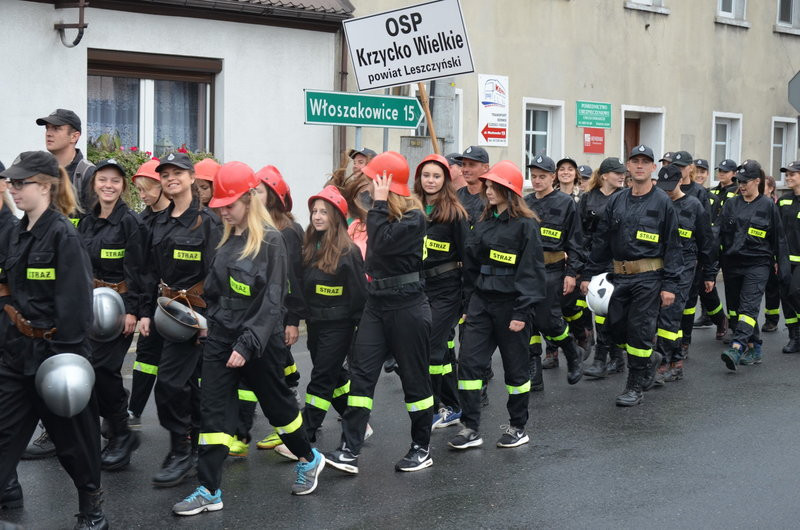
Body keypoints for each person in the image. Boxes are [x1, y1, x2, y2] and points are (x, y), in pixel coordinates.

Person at [172, 162, 325, 516]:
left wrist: (246, 344)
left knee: (280, 410)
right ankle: (209, 488)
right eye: (220, 205)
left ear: (248, 200)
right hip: (221, 338)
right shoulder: (225, 238)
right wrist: (206, 324)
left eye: (230, 204)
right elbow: (215, 292)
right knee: (212, 414)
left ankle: (308, 457)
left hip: (259, 343)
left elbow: (272, 302)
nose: (223, 211)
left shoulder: (272, 241)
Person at [0, 151, 107, 528]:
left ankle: (92, 509)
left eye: (20, 182)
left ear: (44, 185)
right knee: (4, 432)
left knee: (74, 442)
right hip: (16, 354)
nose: (13, 189)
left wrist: (66, 363)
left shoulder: (64, 234)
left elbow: (77, 307)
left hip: (58, 356)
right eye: (11, 182)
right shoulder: (14, 232)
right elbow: (6, 288)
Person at [325, 151, 434, 473]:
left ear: (387, 184)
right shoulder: (379, 212)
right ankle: (350, 447)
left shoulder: (414, 218)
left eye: (375, 180)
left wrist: (381, 202)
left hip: (408, 306)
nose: (370, 186)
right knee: (361, 376)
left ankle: (421, 446)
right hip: (377, 304)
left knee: (415, 381)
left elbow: (380, 245)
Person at [448, 160, 544, 450]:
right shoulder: (483, 220)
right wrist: (469, 302)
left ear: (509, 190)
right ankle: (470, 427)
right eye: (488, 185)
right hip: (481, 303)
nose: (488, 190)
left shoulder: (526, 226)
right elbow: (471, 266)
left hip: (511, 306)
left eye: (494, 186)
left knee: (516, 371)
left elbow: (531, 272)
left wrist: (521, 311)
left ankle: (517, 427)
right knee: (468, 364)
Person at [139, 152, 221, 487]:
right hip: (166, 313)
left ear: (191, 178)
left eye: (178, 172)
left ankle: (180, 449)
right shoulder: (158, 222)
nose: (171, 177)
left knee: (170, 383)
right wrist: (144, 313)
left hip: (196, 314)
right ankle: (199, 441)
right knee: (186, 383)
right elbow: (148, 273)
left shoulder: (208, 221)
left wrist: (211, 321)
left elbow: (219, 273)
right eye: (166, 173)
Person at [581, 144, 682, 407]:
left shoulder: (662, 202)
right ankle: (650, 360)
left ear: (653, 168)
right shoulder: (617, 200)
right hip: (619, 276)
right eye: (634, 161)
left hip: (649, 278)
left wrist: (670, 285)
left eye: (644, 162)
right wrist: (588, 275)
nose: (639, 165)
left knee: (639, 330)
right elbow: (602, 240)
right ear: (628, 166)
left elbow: (673, 246)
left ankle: (634, 386)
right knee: (615, 328)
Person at [78, 158, 146, 470]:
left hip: (119, 308)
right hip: (90, 308)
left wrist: (133, 310)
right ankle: (109, 419)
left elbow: (140, 271)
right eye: (103, 179)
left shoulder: (130, 222)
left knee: (104, 369)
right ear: (94, 184)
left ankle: (122, 434)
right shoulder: (87, 221)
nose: (108, 185)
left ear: (123, 187)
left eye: (115, 181)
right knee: (92, 370)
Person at [292, 186, 367, 448]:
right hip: (315, 324)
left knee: (322, 378)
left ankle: (306, 433)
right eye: (314, 211)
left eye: (324, 211)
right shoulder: (310, 245)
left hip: (339, 327)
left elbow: (360, 296)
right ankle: (357, 422)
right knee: (334, 377)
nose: (317, 216)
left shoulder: (349, 252)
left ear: (336, 216)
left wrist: (358, 335)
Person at [252, 165, 305, 454]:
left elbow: (294, 278)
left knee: (276, 370)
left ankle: (287, 429)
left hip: (282, 311)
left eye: (258, 191)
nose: (252, 196)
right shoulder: (257, 227)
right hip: (263, 311)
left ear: (272, 196)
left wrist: (293, 319)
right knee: (277, 366)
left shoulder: (289, 231)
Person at [414, 154, 469, 428]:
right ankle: (454, 406)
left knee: (432, 348)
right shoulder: (411, 210)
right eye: (426, 175)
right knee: (440, 351)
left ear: (445, 180)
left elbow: (467, 258)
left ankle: (433, 409)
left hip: (447, 289)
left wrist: (467, 301)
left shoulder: (455, 213)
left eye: (436, 176)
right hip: (419, 288)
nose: (431, 180)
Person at [719, 160, 790, 370]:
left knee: (749, 308)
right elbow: (721, 236)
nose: (741, 186)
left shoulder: (768, 205)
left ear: (757, 181)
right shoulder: (731, 204)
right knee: (736, 310)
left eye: (745, 182)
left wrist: (783, 269)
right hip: (733, 264)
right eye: (739, 182)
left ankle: (737, 346)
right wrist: (713, 266)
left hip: (758, 264)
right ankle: (755, 346)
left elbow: (779, 239)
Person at [524, 155, 586, 388]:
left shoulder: (566, 202)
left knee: (547, 320)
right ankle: (534, 371)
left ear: (553, 177)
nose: (537, 180)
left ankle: (572, 351)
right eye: (534, 176)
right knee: (527, 320)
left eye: (542, 176)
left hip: (553, 269)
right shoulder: (525, 202)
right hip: (527, 271)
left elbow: (576, 242)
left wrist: (571, 273)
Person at [651, 164, 715, 385]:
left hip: (686, 264)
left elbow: (707, 241)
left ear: (681, 181)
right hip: (661, 263)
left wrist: (710, 273)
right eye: (663, 187)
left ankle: (665, 364)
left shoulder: (694, 205)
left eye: (671, 186)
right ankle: (675, 361)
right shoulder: (658, 202)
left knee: (671, 313)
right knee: (663, 315)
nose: (667, 191)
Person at [127, 159, 171, 426]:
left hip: (177, 301)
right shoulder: (142, 221)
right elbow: (139, 268)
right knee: (145, 357)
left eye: (146, 190)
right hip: (150, 300)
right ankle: (134, 410)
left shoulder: (178, 217)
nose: (142, 196)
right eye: (139, 191)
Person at [579, 157, 627, 378]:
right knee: (599, 310)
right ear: (604, 175)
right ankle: (604, 358)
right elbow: (579, 232)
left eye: (622, 173)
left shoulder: (625, 197)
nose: (621, 176)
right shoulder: (588, 198)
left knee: (615, 311)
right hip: (594, 259)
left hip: (618, 261)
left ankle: (614, 358)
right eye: (617, 172)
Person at [36, 108, 95, 211]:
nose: (48, 133)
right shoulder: (41, 171)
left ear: (74, 137)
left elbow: (95, 222)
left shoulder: (87, 173)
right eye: (47, 128)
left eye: (56, 128)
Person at [778, 160, 800, 354]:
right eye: (787, 174)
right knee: (786, 297)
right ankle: (794, 336)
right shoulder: (784, 200)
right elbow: (776, 230)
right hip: (785, 259)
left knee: (795, 292)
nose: (788, 177)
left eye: (792, 174)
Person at [761, 175, 781, 332]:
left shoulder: (777, 205)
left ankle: (772, 319)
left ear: (771, 188)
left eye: (764, 186)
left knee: (772, 287)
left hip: (772, 252)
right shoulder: (758, 204)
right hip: (761, 252)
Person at [455, 146, 489, 224]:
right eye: (463, 164)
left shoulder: (493, 197)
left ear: (485, 167)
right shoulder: (455, 197)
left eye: (471, 165)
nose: (466, 169)